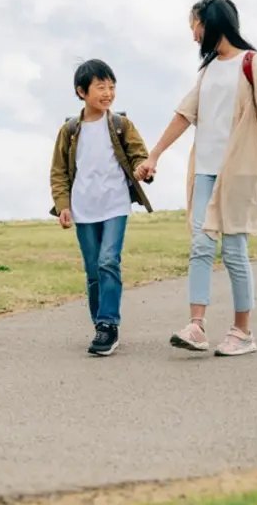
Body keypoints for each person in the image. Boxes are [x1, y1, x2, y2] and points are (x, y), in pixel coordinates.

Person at [134, 0, 257, 357]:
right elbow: (184, 115)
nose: (193, 35)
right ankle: (197, 326)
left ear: (213, 23)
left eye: (196, 26)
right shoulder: (207, 71)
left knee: (234, 250)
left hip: (240, 171)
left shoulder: (255, 64)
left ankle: (243, 332)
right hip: (205, 170)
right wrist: (154, 155)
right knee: (201, 246)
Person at [50, 59, 153, 357]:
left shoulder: (121, 124)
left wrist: (142, 169)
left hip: (115, 205)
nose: (108, 93)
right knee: (93, 270)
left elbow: (138, 155)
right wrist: (63, 206)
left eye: (111, 87)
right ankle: (100, 323)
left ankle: (108, 324)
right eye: (100, 87)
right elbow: (59, 172)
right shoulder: (70, 130)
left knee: (109, 261)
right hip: (83, 208)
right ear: (82, 92)